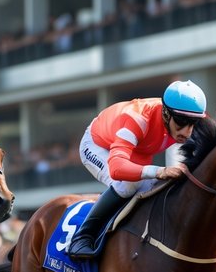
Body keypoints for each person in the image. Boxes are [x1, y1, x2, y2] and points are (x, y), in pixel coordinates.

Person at [66, 79, 208, 260]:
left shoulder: (188, 117)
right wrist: (159, 171)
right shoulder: (138, 118)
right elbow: (117, 169)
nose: (187, 132)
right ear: (166, 114)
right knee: (127, 185)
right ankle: (83, 237)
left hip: (139, 151)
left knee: (157, 189)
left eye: (194, 123)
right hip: (98, 145)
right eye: (181, 122)